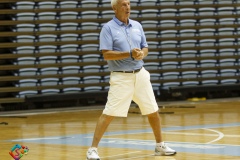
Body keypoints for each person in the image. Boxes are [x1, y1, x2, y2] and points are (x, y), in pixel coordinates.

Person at [86, 0, 177, 159]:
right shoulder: (108, 28)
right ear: (114, 8)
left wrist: (142, 53)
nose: (127, 7)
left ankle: (159, 145)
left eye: (128, 4)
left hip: (140, 74)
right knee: (109, 114)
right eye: (123, 4)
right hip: (121, 77)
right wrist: (129, 54)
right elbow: (106, 54)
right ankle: (92, 150)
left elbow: (145, 47)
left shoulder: (137, 25)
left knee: (153, 111)